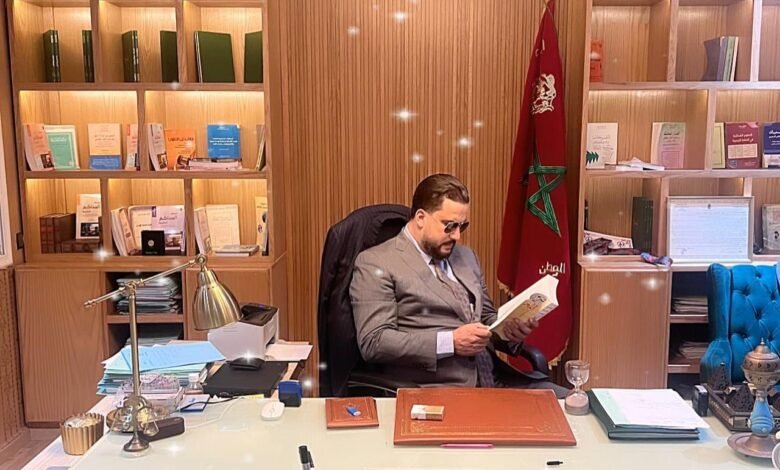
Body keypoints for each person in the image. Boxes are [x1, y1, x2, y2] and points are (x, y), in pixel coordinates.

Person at [350, 173, 567, 397]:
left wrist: (509, 331)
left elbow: (486, 318)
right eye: (450, 226)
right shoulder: (376, 263)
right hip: (438, 389)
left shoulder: (466, 257)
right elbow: (374, 342)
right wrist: (450, 342)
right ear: (421, 218)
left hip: (496, 380)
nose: (457, 236)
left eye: (462, 226)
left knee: (573, 404)